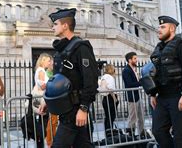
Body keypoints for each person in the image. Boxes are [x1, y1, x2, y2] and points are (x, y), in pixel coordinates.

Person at [39, 8, 98, 147]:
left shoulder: (81, 47)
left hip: (75, 110)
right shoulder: (62, 51)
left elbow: (91, 79)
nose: (53, 27)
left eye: (55, 24)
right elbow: (58, 80)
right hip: (66, 108)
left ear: (65, 26)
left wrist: (84, 108)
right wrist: (47, 100)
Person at [149, 16, 182, 147]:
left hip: (179, 96)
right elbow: (156, 73)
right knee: (158, 131)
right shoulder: (158, 48)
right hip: (162, 97)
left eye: (162, 27)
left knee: (180, 134)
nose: (159, 30)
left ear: (172, 28)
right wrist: (153, 94)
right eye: (159, 27)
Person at [122, 52, 146, 138]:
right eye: (135, 58)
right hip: (132, 97)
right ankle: (130, 134)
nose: (136, 60)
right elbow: (129, 84)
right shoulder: (126, 70)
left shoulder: (133, 69)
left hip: (138, 96)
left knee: (141, 116)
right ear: (130, 60)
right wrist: (141, 83)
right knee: (132, 117)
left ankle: (142, 133)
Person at [32, 53, 52, 148]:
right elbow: (43, 86)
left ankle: (42, 143)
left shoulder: (40, 70)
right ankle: (44, 143)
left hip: (42, 99)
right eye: (48, 61)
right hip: (43, 100)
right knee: (45, 123)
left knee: (43, 122)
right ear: (43, 60)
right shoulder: (41, 71)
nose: (49, 63)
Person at [98, 64, 118, 133]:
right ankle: (110, 132)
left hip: (105, 98)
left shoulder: (103, 76)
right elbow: (110, 89)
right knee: (111, 117)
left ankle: (107, 132)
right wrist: (115, 98)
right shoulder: (110, 77)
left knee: (107, 116)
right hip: (110, 98)